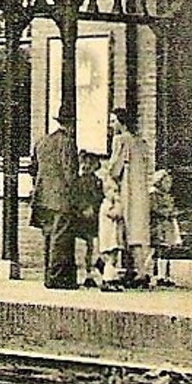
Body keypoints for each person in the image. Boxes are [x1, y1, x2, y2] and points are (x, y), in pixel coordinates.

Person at [30, 104, 79, 290]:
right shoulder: (67, 142)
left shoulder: (42, 141)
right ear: (71, 124)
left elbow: (32, 168)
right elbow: (69, 172)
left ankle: (48, 276)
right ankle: (58, 278)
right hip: (61, 198)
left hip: (43, 197)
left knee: (49, 237)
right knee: (61, 238)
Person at [107, 106, 155, 289]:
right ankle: (140, 271)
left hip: (127, 190)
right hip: (141, 191)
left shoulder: (121, 140)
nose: (111, 125)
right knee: (138, 229)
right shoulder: (141, 142)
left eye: (113, 121)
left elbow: (114, 169)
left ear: (121, 122)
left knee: (125, 229)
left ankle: (131, 271)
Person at [95, 146, 129, 291]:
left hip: (114, 235)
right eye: (112, 190)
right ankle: (107, 280)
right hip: (110, 236)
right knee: (111, 257)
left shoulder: (111, 203)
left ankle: (110, 276)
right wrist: (119, 207)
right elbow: (114, 214)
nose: (115, 193)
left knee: (113, 257)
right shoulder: (107, 205)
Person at [72, 151, 106, 288]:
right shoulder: (79, 182)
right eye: (85, 163)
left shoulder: (97, 181)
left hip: (95, 216)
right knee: (86, 245)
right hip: (84, 216)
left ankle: (92, 271)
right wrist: (84, 207)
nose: (87, 166)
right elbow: (77, 197)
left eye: (90, 164)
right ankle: (87, 272)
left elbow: (100, 196)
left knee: (94, 245)